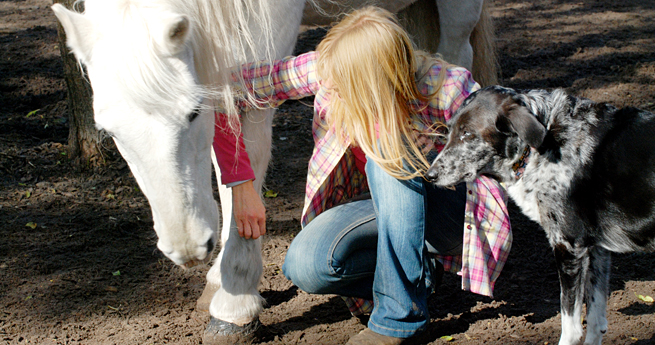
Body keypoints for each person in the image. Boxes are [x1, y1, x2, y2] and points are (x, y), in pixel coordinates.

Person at [213, 6, 512, 344]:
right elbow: (227, 90)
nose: (330, 91)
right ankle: (420, 275)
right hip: (379, 209)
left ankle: (398, 319)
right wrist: (240, 183)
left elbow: (505, 151)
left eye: (341, 86)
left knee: (388, 152)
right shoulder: (330, 71)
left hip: (448, 214)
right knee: (306, 265)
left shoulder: (447, 87)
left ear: (373, 83)